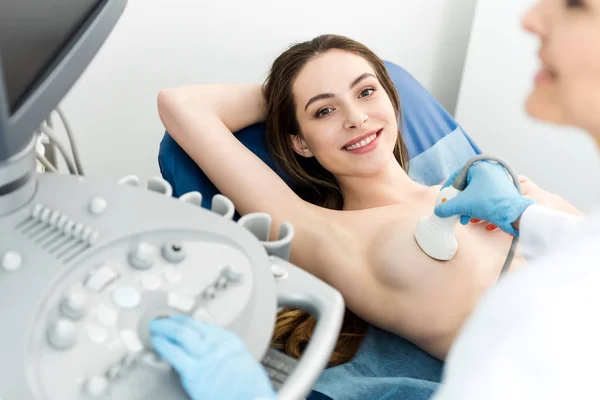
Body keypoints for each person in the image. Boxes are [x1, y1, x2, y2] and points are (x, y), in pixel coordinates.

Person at [151, 13, 590, 396]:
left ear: (392, 100)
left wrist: (525, 212)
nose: (356, 118)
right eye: (324, 112)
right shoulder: (332, 235)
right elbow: (182, 106)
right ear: (300, 142)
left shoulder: (489, 185)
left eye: (366, 92)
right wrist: (290, 93)